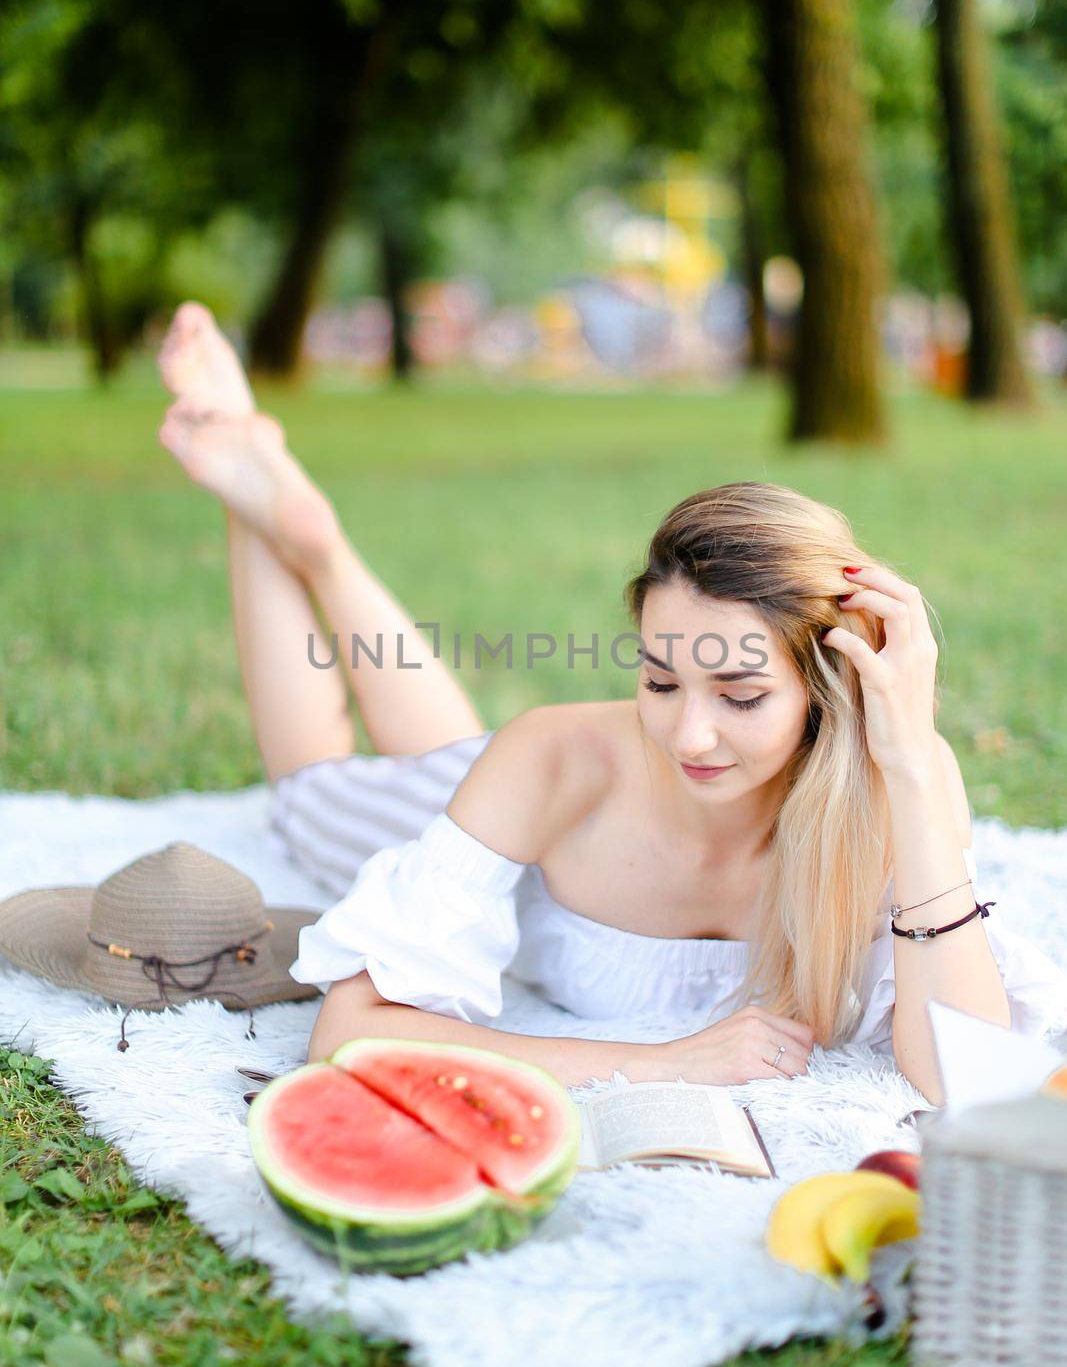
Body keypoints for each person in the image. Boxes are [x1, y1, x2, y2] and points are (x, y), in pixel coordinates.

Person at [156, 303, 1067, 1104]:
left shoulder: (900, 783)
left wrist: (907, 764)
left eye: (741, 694)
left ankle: (314, 538)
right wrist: (665, 1062)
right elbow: (349, 1032)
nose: (689, 732)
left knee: (466, 747)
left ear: (824, 688)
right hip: (531, 788)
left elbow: (966, 1076)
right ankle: (269, 513)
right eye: (660, 680)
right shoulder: (554, 761)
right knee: (313, 790)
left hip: (523, 783)